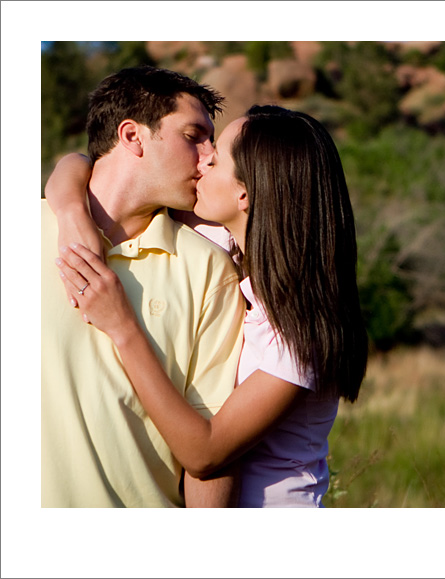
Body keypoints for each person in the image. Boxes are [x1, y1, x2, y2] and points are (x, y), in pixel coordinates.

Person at [48, 105, 369, 507]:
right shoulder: (229, 247)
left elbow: (205, 454)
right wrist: (70, 210)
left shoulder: (299, 333)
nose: (201, 163)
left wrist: (123, 327)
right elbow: (83, 163)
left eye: (214, 159)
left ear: (244, 194)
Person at [42, 66, 245, 507]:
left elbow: (210, 454)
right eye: (194, 135)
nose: (209, 156)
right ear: (132, 136)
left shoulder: (211, 271)